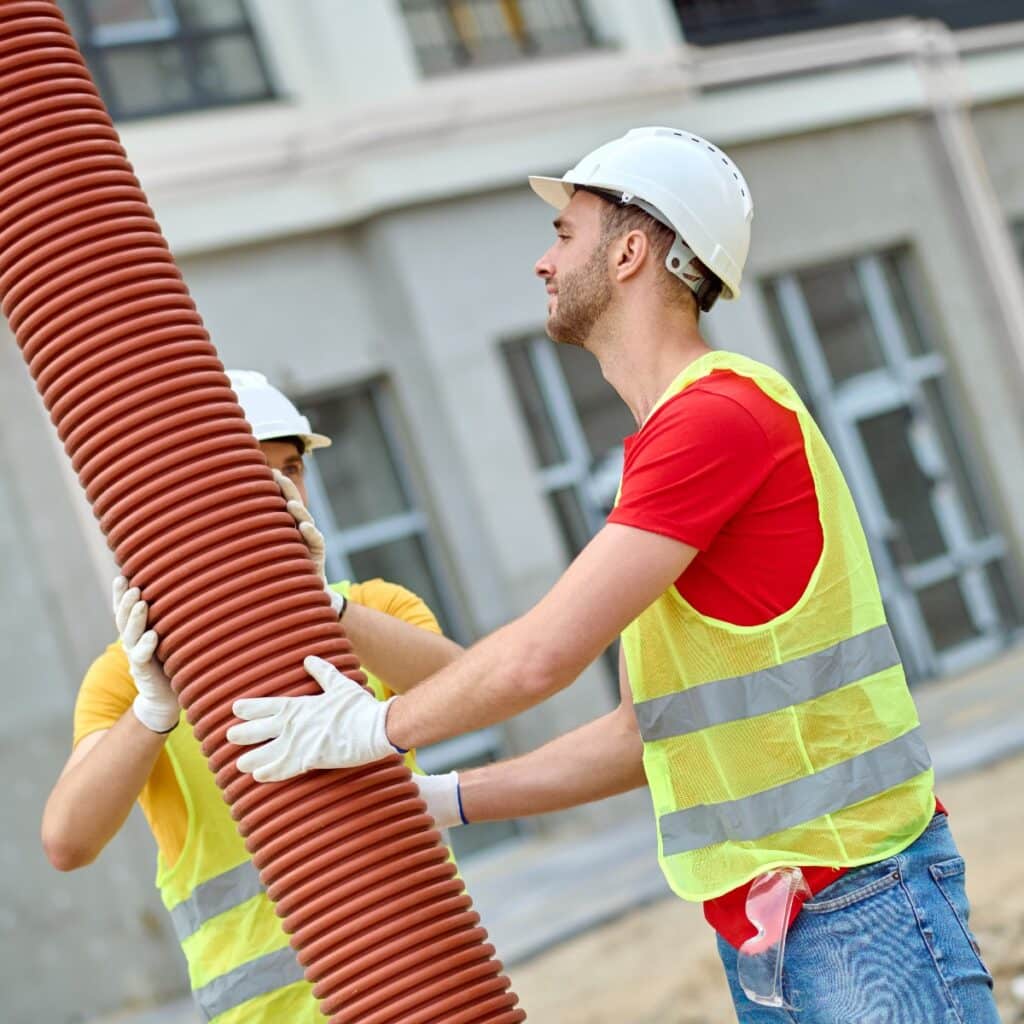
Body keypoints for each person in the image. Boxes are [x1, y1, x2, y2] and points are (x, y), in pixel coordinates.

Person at [228, 129, 1000, 1023]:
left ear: (632, 251)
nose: (542, 263)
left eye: (564, 233)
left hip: (859, 901)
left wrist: (371, 727)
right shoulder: (673, 440)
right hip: (779, 922)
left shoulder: (716, 417)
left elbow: (539, 659)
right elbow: (645, 734)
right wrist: (439, 800)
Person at [41, 369, 462, 1024]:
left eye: (290, 468)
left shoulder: (374, 610)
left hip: (422, 980)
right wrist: (153, 712)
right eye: (250, 471)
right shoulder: (128, 676)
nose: (279, 491)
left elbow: (477, 688)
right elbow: (67, 842)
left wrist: (328, 609)